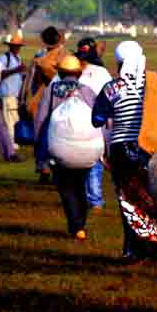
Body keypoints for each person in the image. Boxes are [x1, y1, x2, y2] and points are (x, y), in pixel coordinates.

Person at [92, 41, 157, 262]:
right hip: (150, 147)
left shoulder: (112, 88)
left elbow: (97, 119)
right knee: (149, 197)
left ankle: (134, 250)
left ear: (119, 63)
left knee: (128, 199)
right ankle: (152, 245)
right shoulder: (156, 84)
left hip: (122, 149)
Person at [34, 55, 98, 241]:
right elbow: (100, 121)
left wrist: (40, 148)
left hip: (60, 148)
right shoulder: (87, 90)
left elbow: (41, 121)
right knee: (80, 185)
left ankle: (76, 225)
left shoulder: (51, 91)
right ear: (79, 73)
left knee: (66, 187)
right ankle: (80, 224)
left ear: (60, 72)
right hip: (86, 147)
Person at [56, 37, 113, 212]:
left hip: (70, 128)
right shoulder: (101, 72)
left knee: (76, 168)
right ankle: (95, 201)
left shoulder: (64, 77)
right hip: (90, 125)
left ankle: (84, 201)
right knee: (93, 163)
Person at [23, 26, 67, 184]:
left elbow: (30, 81)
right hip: (59, 99)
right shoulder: (64, 55)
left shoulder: (39, 56)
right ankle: (53, 168)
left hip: (40, 99)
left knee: (41, 133)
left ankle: (43, 167)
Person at [0, 34, 27, 152]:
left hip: (15, 94)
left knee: (14, 119)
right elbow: (0, 74)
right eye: (15, 46)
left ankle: (14, 141)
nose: (17, 48)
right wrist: (17, 70)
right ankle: (11, 144)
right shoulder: (4, 58)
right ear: (10, 46)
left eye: (19, 46)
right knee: (9, 120)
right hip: (7, 92)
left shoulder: (17, 58)